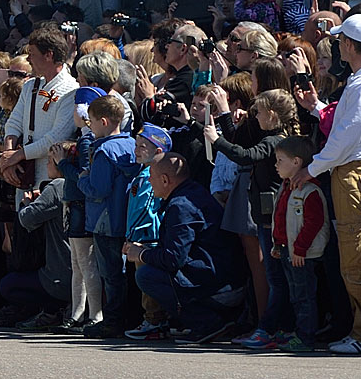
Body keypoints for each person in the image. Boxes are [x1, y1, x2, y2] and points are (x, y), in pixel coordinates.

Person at [292, 13, 361, 355]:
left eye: (340, 41)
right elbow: (350, 129)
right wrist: (318, 107)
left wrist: (313, 168)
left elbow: (347, 137)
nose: (338, 45)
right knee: (353, 256)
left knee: (356, 258)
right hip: (354, 171)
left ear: (349, 45)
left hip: (355, 174)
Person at [204, 88, 300, 349]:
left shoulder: (275, 140)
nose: (254, 116)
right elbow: (243, 142)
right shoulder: (273, 135)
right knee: (279, 277)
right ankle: (283, 327)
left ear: (270, 114)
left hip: (271, 218)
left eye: (258, 112)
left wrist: (217, 141)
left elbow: (246, 155)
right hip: (266, 214)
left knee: (277, 277)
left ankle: (270, 328)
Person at [126, 153, 246, 343]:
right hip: (226, 280)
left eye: (151, 177)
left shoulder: (180, 206)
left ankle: (207, 323)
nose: (149, 180)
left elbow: (173, 259)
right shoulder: (192, 193)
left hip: (223, 288)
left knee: (146, 275)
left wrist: (141, 253)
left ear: (165, 180)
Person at [77, 95, 137, 338]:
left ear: (103, 121)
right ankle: (128, 318)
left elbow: (98, 189)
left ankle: (112, 321)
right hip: (126, 218)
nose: (89, 126)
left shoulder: (103, 151)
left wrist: (82, 179)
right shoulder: (132, 145)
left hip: (104, 220)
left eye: (90, 121)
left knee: (111, 274)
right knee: (124, 273)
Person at [49, 87, 105, 333]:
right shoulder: (86, 137)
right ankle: (78, 312)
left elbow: (83, 175)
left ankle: (94, 314)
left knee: (85, 263)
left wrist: (62, 163)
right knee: (79, 263)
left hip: (80, 205)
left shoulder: (86, 140)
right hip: (76, 205)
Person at [270, 136, 330, 352]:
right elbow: (281, 219)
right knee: (295, 296)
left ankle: (306, 338)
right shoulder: (286, 186)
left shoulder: (310, 190)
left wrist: (300, 249)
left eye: (280, 160)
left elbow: (314, 223)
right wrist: (278, 245)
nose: (276, 165)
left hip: (302, 254)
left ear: (296, 162)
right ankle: (298, 332)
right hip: (288, 251)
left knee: (304, 296)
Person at [1, 25, 79, 191]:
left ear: (49, 55)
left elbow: (55, 139)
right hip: (23, 173)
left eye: (32, 54)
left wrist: (17, 156)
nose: (28, 59)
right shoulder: (30, 86)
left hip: (50, 177)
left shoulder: (71, 91)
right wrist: (9, 157)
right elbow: (13, 122)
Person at [3, 148, 73, 331]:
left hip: (59, 278)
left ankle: (52, 309)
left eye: (50, 161)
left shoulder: (57, 186)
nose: (47, 165)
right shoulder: (79, 184)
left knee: (8, 285)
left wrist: (27, 203)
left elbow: (27, 218)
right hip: (81, 276)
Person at [124, 124, 173, 341]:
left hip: (147, 237)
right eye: (136, 145)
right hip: (139, 236)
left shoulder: (150, 177)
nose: (137, 150)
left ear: (159, 152)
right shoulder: (142, 174)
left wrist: (132, 234)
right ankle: (153, 319)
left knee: (147, 286)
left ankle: (154, 321)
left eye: (143, 146)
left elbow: (145, 208)